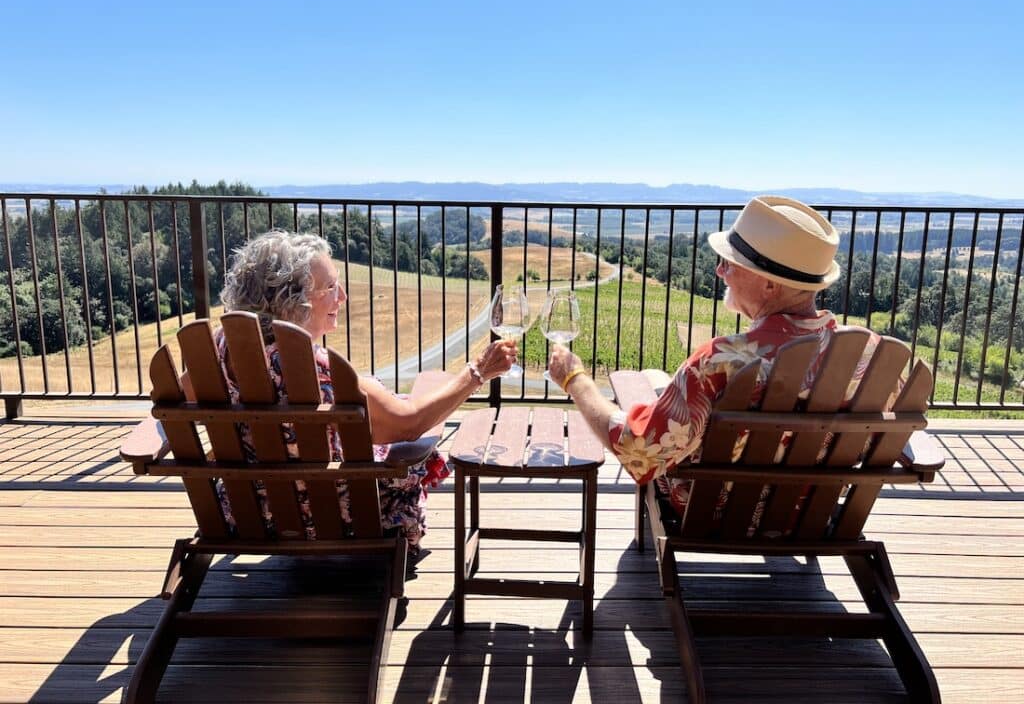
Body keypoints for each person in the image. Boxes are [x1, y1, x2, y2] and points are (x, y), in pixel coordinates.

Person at [548, 195, 881, 529]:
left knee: (644, 391)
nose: (720, 270)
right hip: (809, 511)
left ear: (769, 284)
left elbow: (640, 452)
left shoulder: (720, 363)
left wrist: (575, 379)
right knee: (655, 379)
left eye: (730, 263)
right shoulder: (870, 355)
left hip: (716, 511)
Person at [216, 229, 517, 551]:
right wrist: (476, 373)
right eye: (330, 287)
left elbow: (189, 395)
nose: (342, 296)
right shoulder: (316, 371)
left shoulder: (220, 347)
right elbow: (408, 424)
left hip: (247, 511)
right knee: (412, 451)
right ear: (291, 300)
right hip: (330, 519)